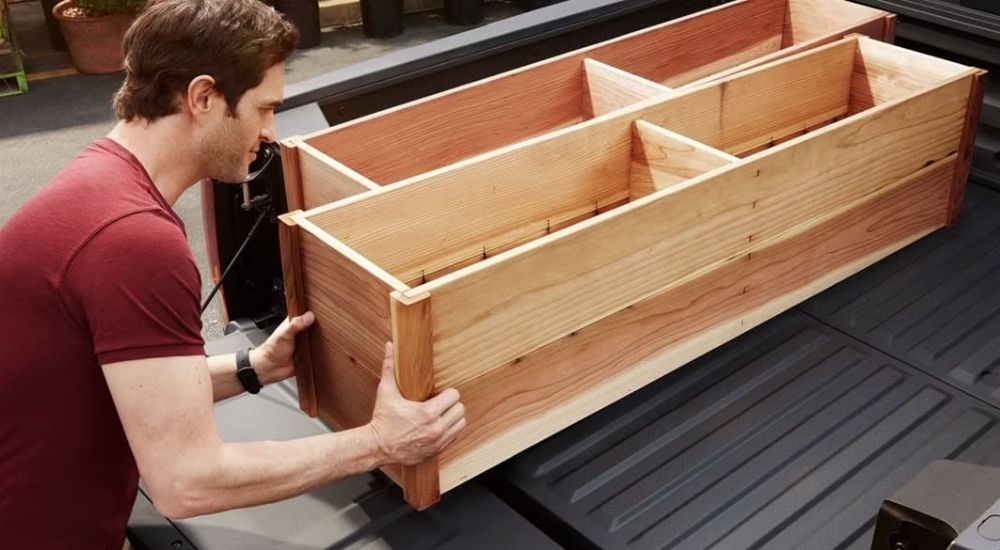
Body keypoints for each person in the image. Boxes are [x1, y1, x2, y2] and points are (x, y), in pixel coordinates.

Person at [0, 1, 466, 548]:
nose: (270, 133)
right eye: (264, 109)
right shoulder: (133, 241)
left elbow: (125, 386)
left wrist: (255, 368)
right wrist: (381, 442)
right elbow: (187, 483)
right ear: (203, 97)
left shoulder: (99, 184)